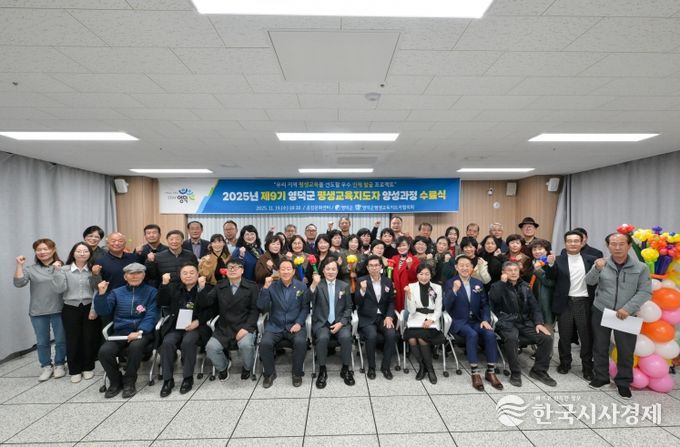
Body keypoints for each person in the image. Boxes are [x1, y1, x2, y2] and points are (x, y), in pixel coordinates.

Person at [586, 233, 652, 399]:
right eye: (613, 244)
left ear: (629, 246)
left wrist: (627, 309)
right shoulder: (601, 263)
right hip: (602, 310)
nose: (617, 247)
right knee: (600, 346)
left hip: (626, 314)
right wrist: (596, 269)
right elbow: (589, 282)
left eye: (621, 244)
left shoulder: (641, 267)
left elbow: (645, 292)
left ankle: (623, 382)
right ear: (608, 246)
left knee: (626, 349)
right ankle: (601, 377)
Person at [94, 263, 159, 398]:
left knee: (135, 347)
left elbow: (152, 314)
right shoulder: (116, 292)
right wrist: (101, 294)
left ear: (143, 275)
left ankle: (129, 381)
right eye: (131, 274)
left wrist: (140, 331)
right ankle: (115, 381)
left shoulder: (151, 292)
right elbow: (103, 311)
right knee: (104, 351)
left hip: (143, 332)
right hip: (121, 331)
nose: (135, 276)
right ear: (125, 276)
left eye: (138, 273)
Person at [489, 261, 556, 388]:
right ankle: (515, 373)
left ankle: (539, 371)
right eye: (510, 270)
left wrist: (538, 323)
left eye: (516, 270)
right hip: (506, 321)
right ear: (503, 273)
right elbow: (494, 299)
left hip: (524, 322)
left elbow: (535, 307)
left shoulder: (525, 286)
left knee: (546, 338)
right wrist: (502, 283)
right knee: (512, 339)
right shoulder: (497, 286)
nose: (513, 273)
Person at [543, 231, 596, 380]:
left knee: (586, 337)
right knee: (564, 336)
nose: (573, 244)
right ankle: (565, 363)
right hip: (565, 302)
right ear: (565, 243)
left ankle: (587, 367)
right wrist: (550, 264)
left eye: (576, 241)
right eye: (569, 241)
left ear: (582, 242)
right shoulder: (558, 259)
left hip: (584, 302)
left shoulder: (591, 260)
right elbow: (551, 277)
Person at [444, 256, 502, 391]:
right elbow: (446, 305)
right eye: (461, 265)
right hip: (459, 321)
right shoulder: (450, 283)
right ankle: (475, 373)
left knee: (490, 333)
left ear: (471, 268)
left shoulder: (478, 283)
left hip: (476, 320)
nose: (464, 268)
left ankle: (491, 371)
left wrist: (485, 319)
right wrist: (454, 290)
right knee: (472, 334)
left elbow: (485, 305)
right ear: (456, 267)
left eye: (467, 265)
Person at [14, 239, 67, 381]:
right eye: (38, 250)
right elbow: (19, 283)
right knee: (42, 341)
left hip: (60, 309)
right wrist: (19, 265)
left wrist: (58, 269)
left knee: (61, 340)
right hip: (38, 311)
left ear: (53, 250)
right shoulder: (31, 269)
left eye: (45, 249)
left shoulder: (62, 266)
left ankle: (60, 364)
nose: (42, 252)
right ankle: (46, 366)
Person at [157, 264, 213, 397]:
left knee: (188, 342)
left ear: (198, 274)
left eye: (192, 273)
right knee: (167, 342)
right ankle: (168, 380)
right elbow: (162, 302)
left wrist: (198, 321)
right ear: (180, 276)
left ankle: (188, 378)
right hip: (176, 326)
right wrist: (164, 285)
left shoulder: (207, 287)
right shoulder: (174, 287)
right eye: (185, 273)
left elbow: (210, 308)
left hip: (196, 326)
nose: (188, 275)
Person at [201, 259, 259, 381]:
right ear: (226, 271)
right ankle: (223, 367)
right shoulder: (220, 286)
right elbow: (206, 302)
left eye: (236, 267)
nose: (232, 269)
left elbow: (255, 310)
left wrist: (247, 328)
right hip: (224, 327)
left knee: (246, 345)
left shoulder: (252, 286)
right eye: (230, 267)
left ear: (242, 270)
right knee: (211, 347)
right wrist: (201, 288)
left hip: (244, 326)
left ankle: (247, 367)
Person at [51, 242, 101, 383]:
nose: (82, 253)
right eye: (79, 251)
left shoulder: (94, 269)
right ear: (73, 253)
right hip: (70, 308)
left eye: (85, 251)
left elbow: (97, 290)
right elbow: (59, 289)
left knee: (89, 338)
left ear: (90, 254)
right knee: (72, 339)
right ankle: (74, 369)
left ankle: (88, 367)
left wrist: (94, 310)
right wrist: (56, 272)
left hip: (89, 306)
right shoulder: (64, 269)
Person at [257, 259, 311, 388]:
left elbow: (305, 308)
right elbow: (261, 306)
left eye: (288, 269)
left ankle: (297, 373)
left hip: (294, 324)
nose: (286, 271)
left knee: (301, 342)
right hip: (275, 325)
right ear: (278, 271)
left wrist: (299, 323)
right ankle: (269, 373)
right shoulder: (271, 286)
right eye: (283, 269)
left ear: (293, 271)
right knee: (264, 343)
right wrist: (265, 288)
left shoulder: (301, 286)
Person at [309, 259, 354, 388]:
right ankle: (322, 370)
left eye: (333, 269)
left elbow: (349, 307)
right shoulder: (318, 285)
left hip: (340, 322)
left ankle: (345, 368)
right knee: (322, 338)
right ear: (323, 271)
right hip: (322, 323)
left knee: (346, 337)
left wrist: (341, 323)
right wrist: (313, 284)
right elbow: (308, 300)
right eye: (328, 269)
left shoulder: (344, 285)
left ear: (337, 271)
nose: (330, 271)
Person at [355, 255, 397, 379]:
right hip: (367, 318)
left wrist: (389, 316)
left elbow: (391, 302)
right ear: (367, 268)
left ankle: (386, 367)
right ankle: (371, 367)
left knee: (391, 334)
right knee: (371, 336)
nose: (374, 268)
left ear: (381, 267)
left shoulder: (387, 281)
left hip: (383, 317)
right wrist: (362, 291)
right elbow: (357, 302)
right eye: (371, 266)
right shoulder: (361, 280)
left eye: (376, 265)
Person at [403, 264, 445, 384]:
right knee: (412, 339)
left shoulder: (437, 288)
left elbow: (438, 309)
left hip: (432, 320)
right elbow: (411, 310)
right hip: (415, 318)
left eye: (427, 274)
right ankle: (423, 366)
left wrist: (431, 320)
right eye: (421, 274)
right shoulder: (411, 287)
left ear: (431, 275)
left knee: (421, 338)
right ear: (417, 275)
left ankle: (430, 369)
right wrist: (409, 296)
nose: (424, 277)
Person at [529, 239, 556, 331]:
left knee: (547, 331)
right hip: (532, 301)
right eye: (534, 249)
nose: (537, 251)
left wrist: (538, 270)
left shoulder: (551, 264)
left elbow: (550, 283)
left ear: (547, 251)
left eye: (540, 249)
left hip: (546, 304)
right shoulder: (530, 263)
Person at [390, 236, 419, 313]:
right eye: (399, 246)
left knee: (407, 311)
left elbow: (414, 278)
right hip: (396, 290)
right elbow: (391, 274)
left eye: (403, 245)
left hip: (408, 290)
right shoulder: (394, 258)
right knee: (396, 311)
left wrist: (409, 267)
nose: (401, 248)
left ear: (408, 246)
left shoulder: (415, 259)